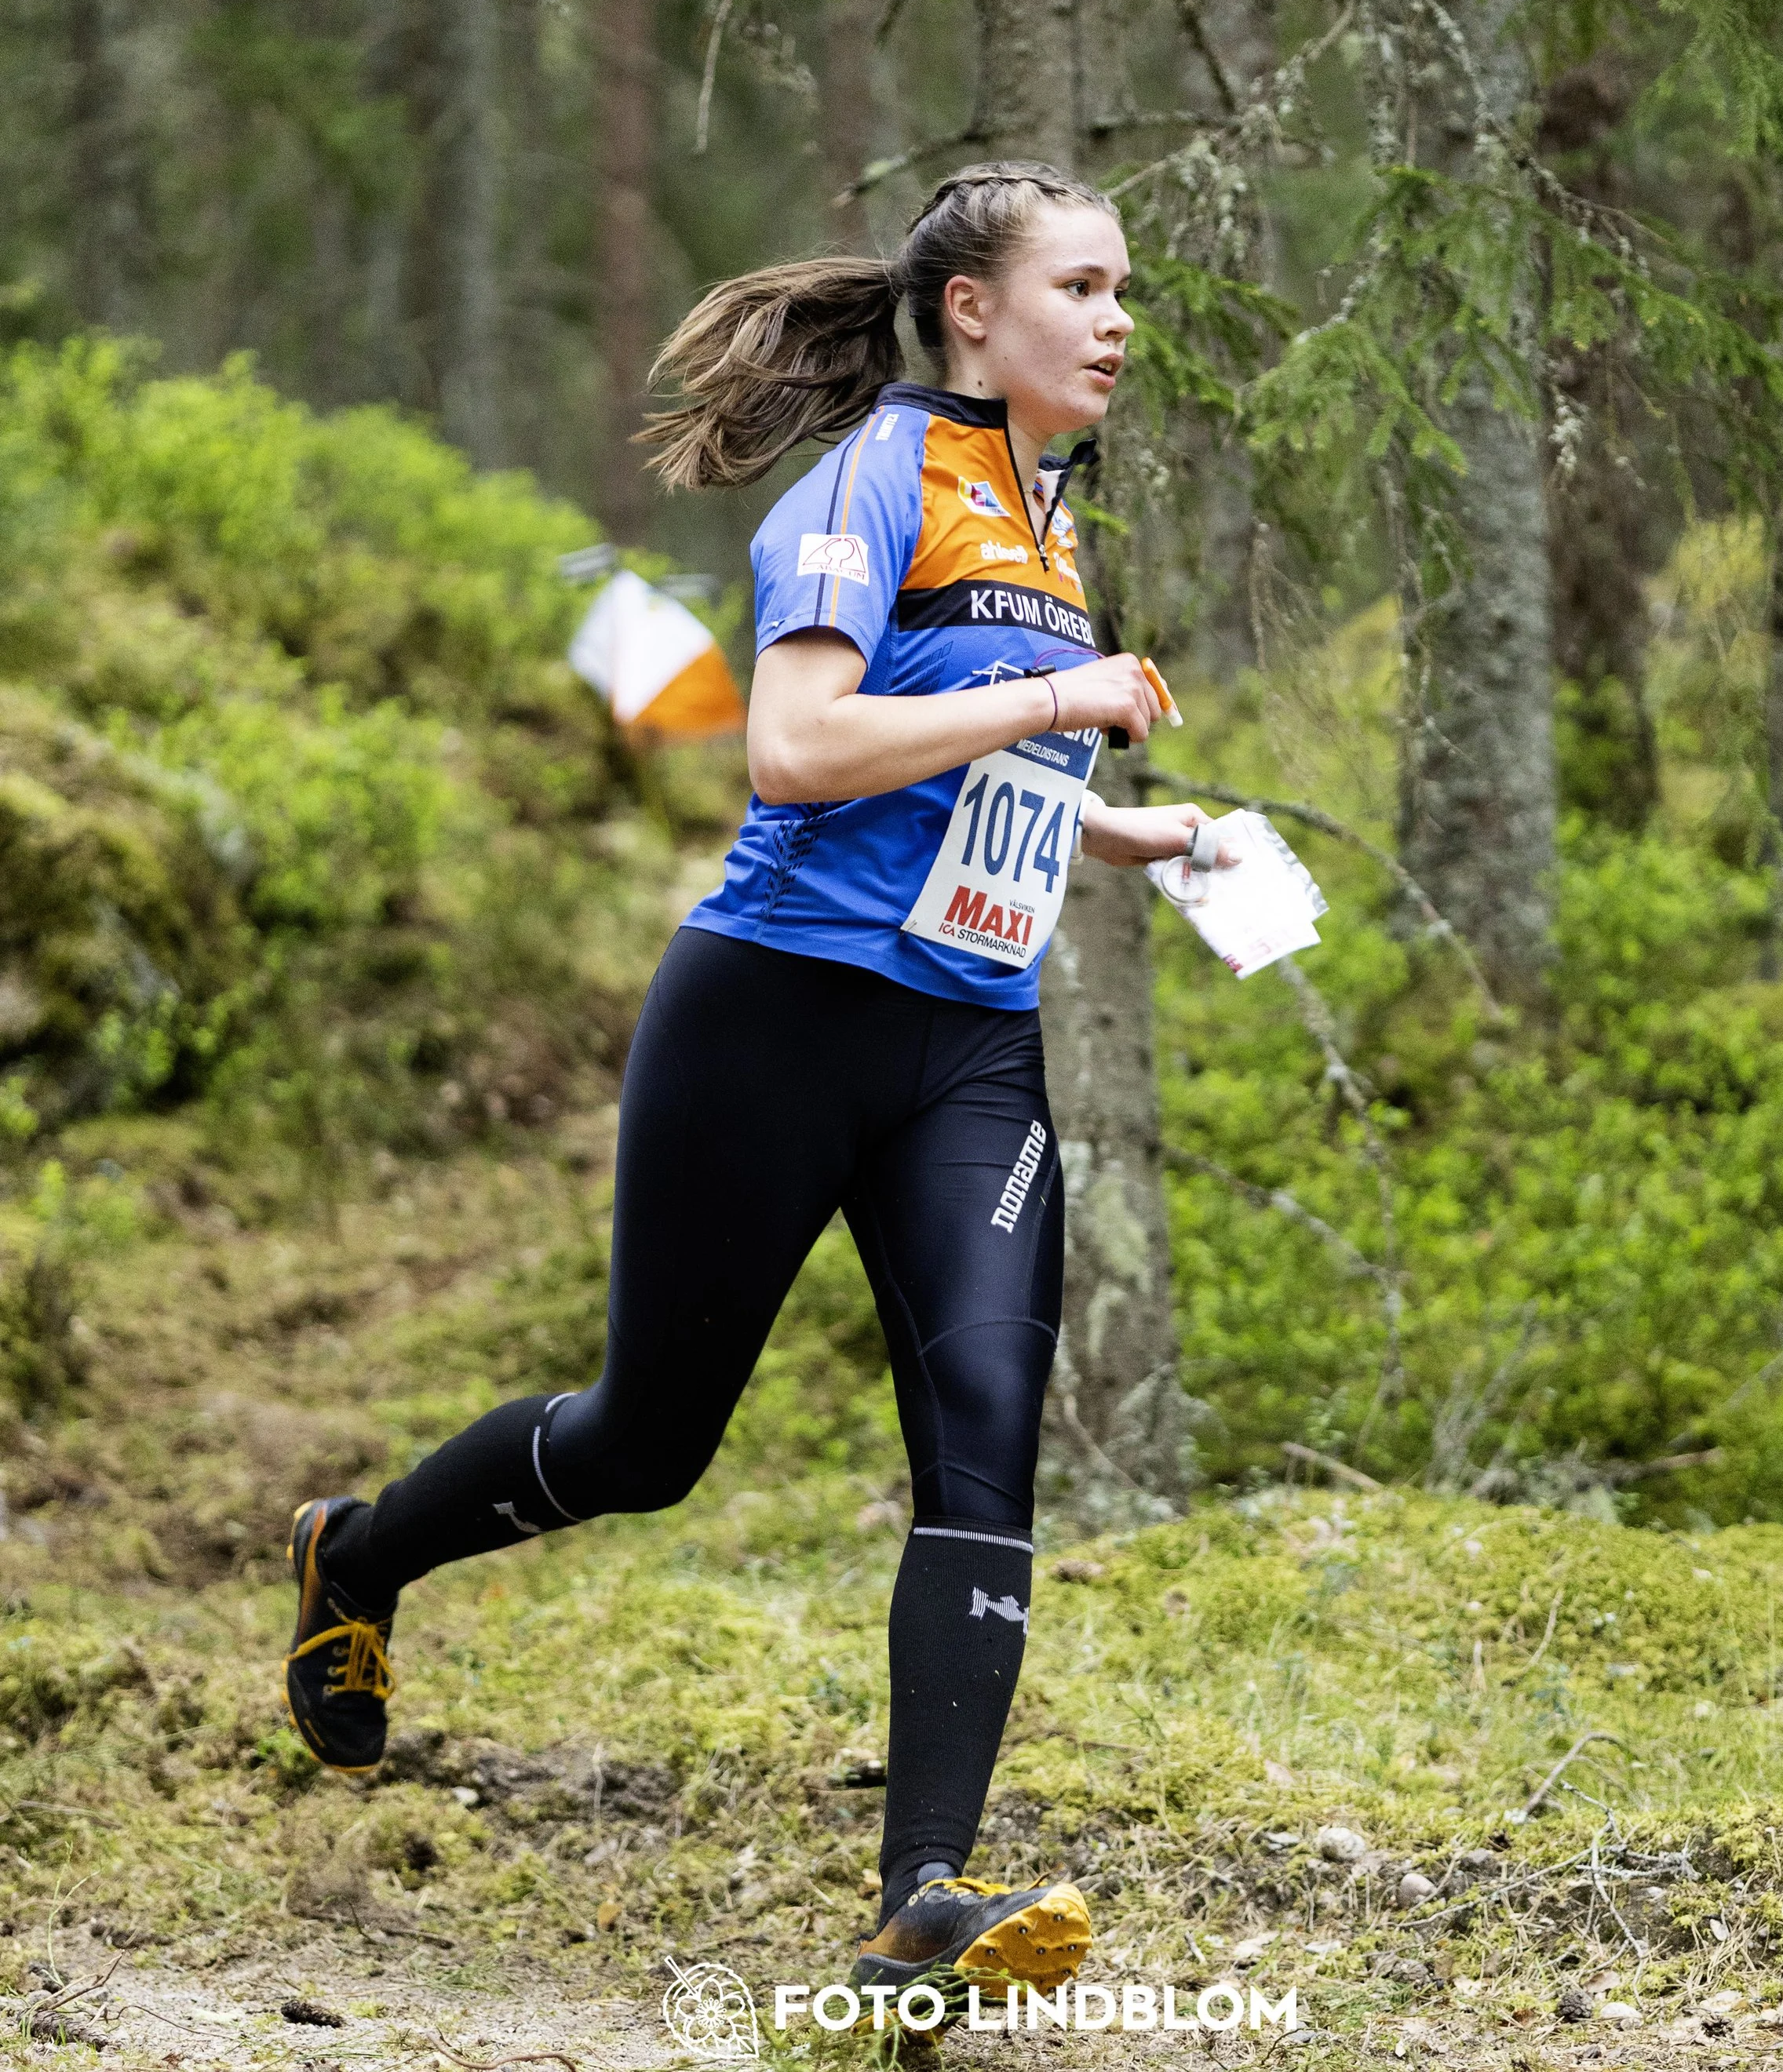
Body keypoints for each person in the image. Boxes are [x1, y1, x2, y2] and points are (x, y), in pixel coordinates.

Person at [280, 160, 1211, 1998]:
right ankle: (356, 1554)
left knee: (986, 1438)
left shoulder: (1040, 503)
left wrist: (1121, 835)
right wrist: (1055, 697)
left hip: (968, 1036)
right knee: (650, 1440)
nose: (1116, 321)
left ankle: (920, 1896)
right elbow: (795, 748)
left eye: (1125, 292)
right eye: (1083, 286)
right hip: (774, 1012)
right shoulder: (869, 479)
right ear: (971, 309)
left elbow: (952, 766)